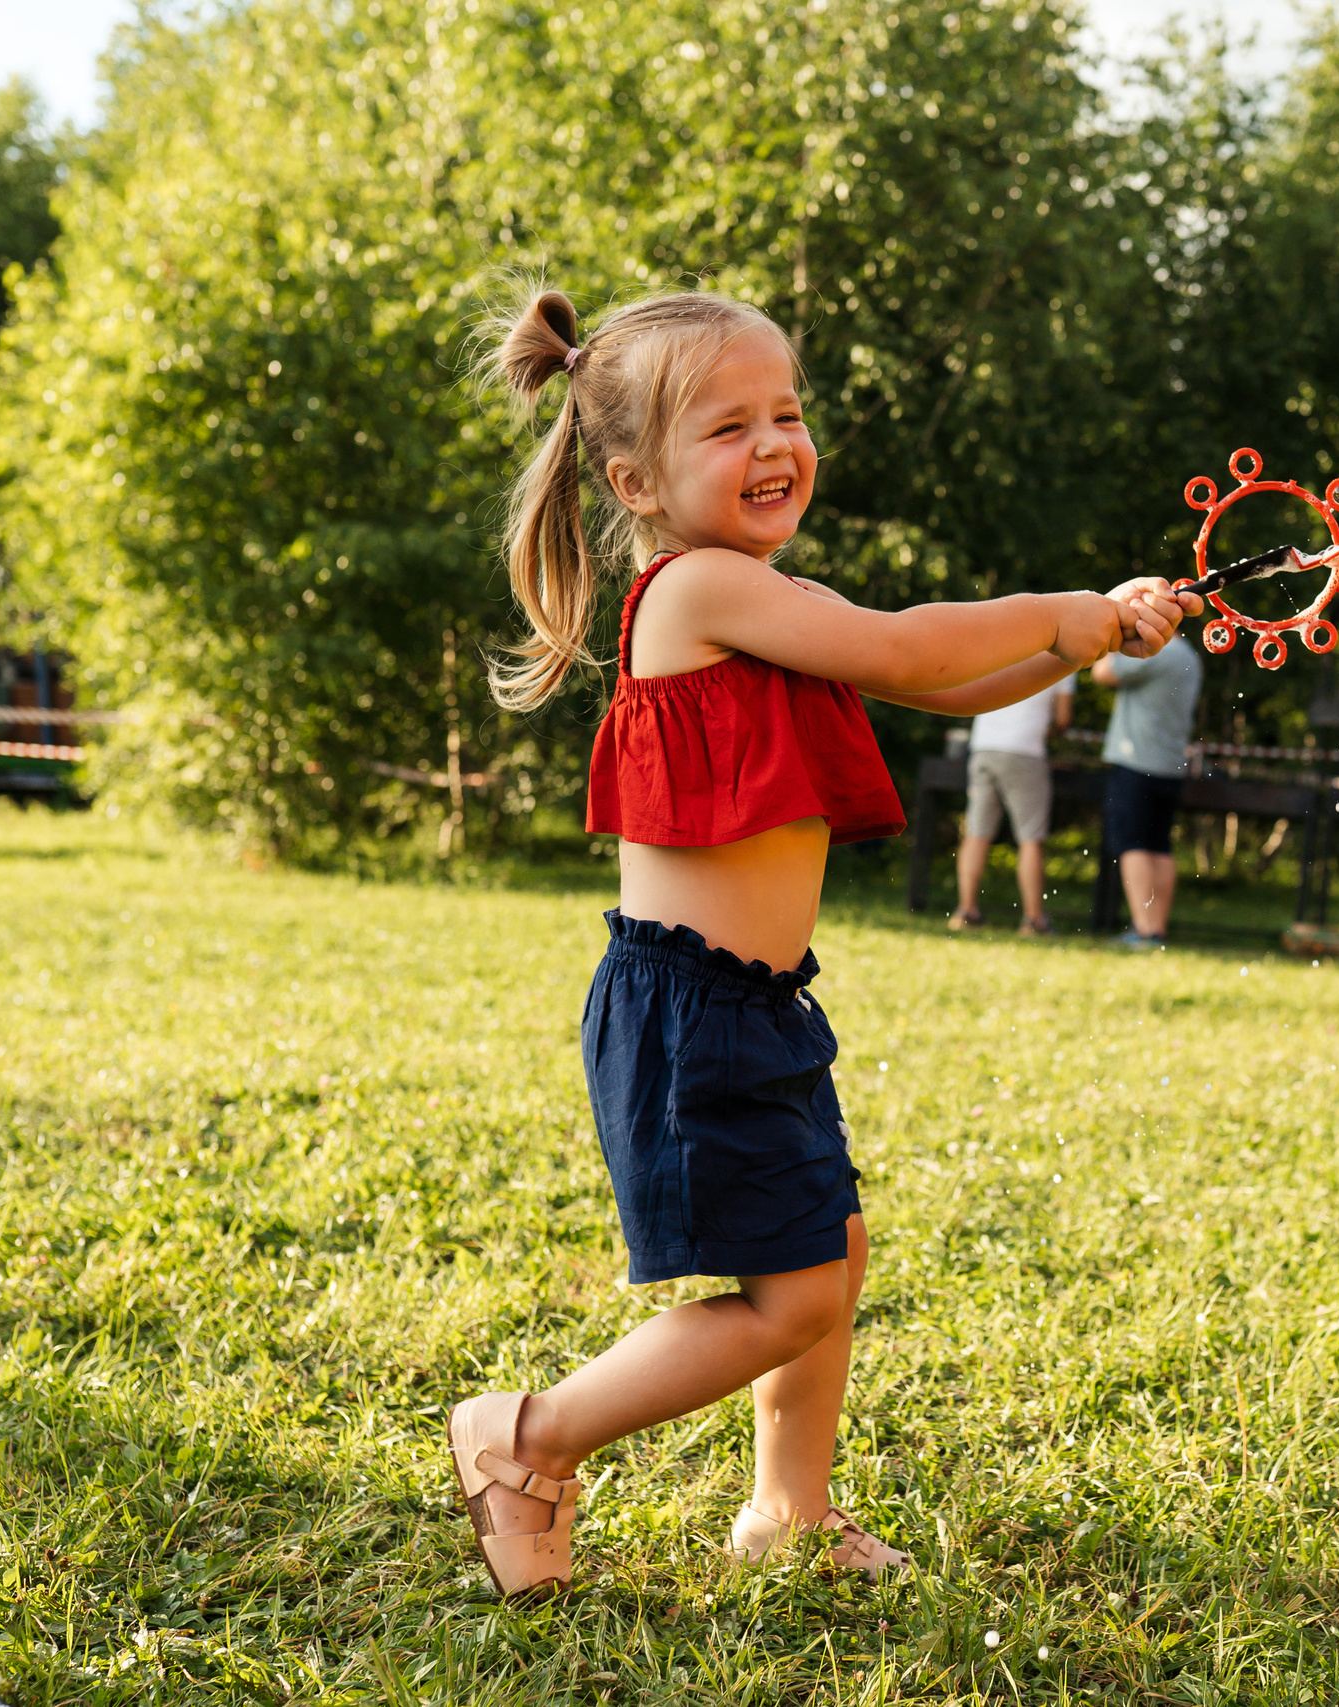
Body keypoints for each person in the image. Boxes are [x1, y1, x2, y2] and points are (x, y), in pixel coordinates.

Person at [446, 285, 1193, 1596]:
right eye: (729, 424)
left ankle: (789, 1508)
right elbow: (906, 650)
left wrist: (1087, 637)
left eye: (787, 411)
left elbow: (947, 678)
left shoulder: (771, 601)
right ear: (636, 477)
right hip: (688, 1013)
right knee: (791, 1294)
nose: (777, 441)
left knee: (827, 1257)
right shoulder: (698, 591)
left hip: (759, 1003)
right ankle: (526, 1434)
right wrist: (1062, 604)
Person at [1094, 634, 1200, 948]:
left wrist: (1112, 637)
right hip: (1170, 764)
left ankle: (1142, 930)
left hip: (1136, 762)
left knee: (1132, 843)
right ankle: (1157, 929)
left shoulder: (1154, 652)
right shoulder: (1189, 656)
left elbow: (1102, 673)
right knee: (1159, 847)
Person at [951, 673, 1073, 934]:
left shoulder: (1004, 641)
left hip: (984, 746)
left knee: (976, 833)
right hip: (1025, 751)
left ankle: (966, 911)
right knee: (1030, 838)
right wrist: (1051, 731)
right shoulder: (1067, 657)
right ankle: (1033, 920)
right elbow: (1063, 719)